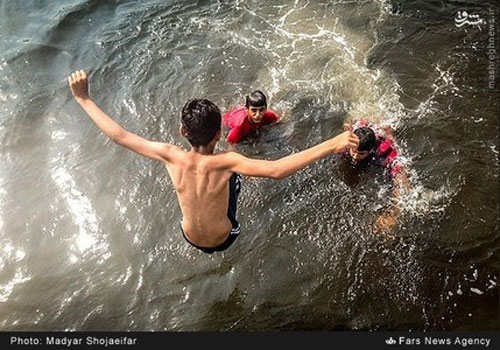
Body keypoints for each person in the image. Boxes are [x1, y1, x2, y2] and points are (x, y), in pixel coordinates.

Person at [68, 70, 359, 253]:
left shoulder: (171, 155)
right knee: (236, 175)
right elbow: (276, 170)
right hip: (225, 238)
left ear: (184, 132)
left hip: (189, 237)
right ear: (219, 134)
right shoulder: (226, 161)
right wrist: (332, 143)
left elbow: (119, 136)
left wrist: (84, 99)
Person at [343, 120, 410, 234]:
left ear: (370, 151)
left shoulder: (385, 151)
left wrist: (393, 213)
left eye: (361, 154)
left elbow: (401, 180)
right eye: (353, 152)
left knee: (389, 133)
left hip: (379, 126)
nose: (354, 156)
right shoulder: (347, 145)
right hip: (360, 122)